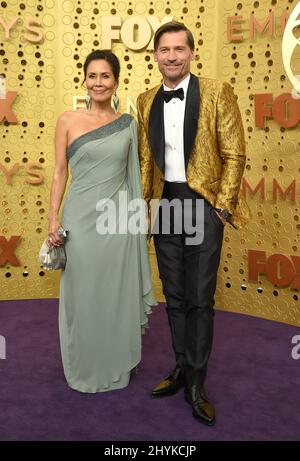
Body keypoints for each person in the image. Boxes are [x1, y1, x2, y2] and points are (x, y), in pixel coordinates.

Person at [137, 22, 250, 425]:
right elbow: (146, 160)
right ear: (155, 55)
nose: (171, 56)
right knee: (176, 297)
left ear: (191, 52)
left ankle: (198, 384)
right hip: (165, 206)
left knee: (201, 300)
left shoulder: (218, 92)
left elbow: (235, 154)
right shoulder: (144, 98)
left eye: (179, 49)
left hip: (204, 206)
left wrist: (222, 208)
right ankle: (182, 367)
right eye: (164, 50)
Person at [48, 50, 156, 393]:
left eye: (105, 76)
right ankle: (84, 361)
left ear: (116, 81)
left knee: (114, 293)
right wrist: (53, 219)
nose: (98, 82)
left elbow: (133, 178)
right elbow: (59, 172)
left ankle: (117, 362)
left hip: (117, 223)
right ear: (84, 79)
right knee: (83, 294)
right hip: (79, 222)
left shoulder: (128, 125)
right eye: (92, 76)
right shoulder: (67, 120)